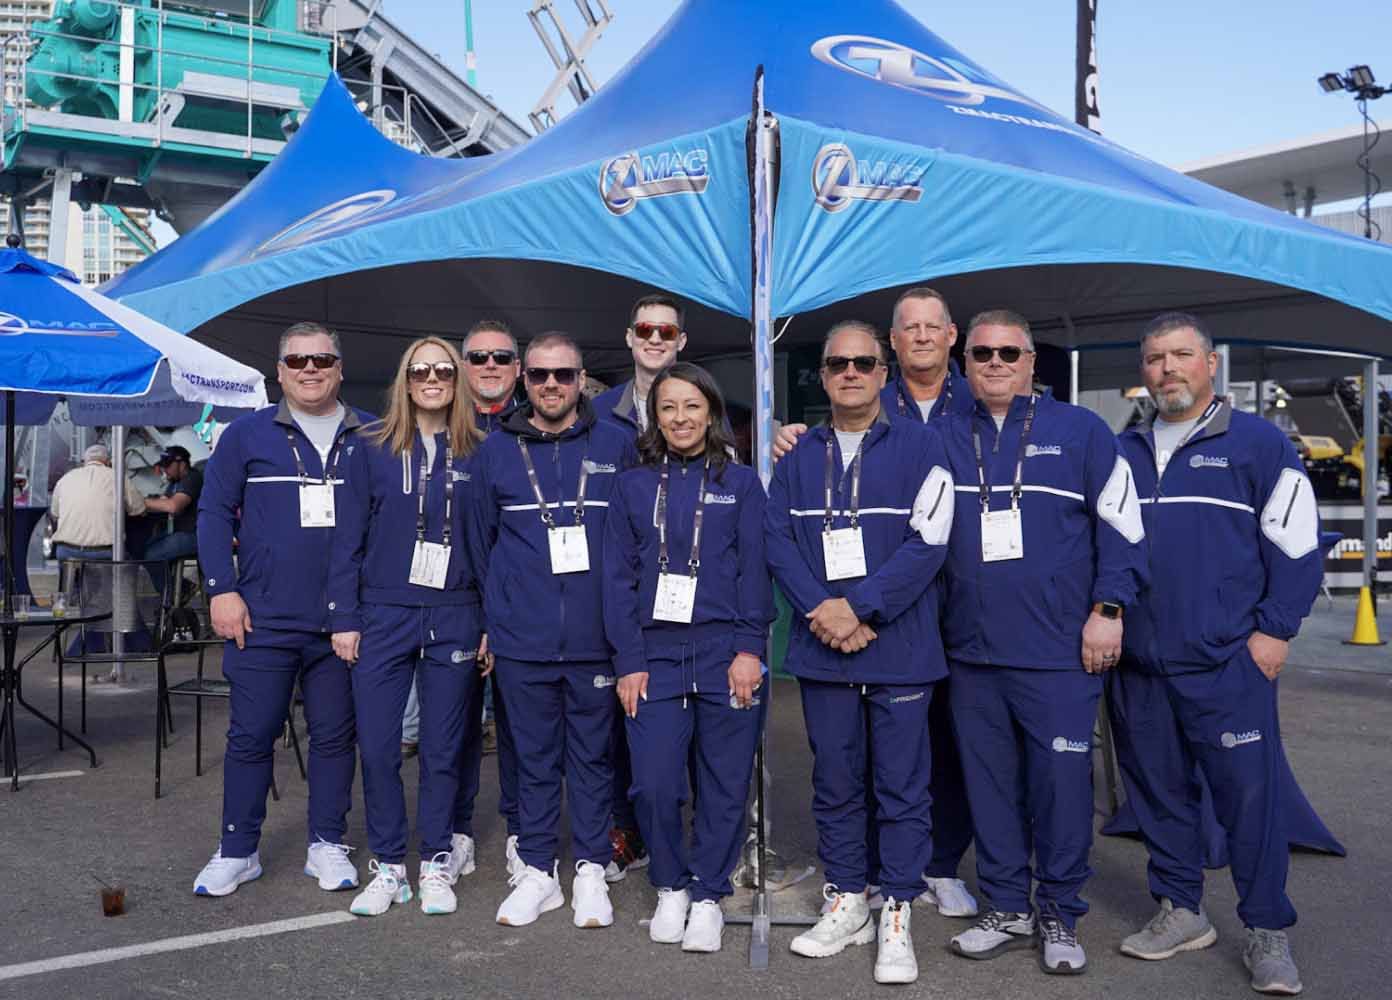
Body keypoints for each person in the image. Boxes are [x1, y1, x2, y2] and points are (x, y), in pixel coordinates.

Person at [1109, 313, 1321, 997]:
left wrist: (1274, 631)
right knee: (1159, 798)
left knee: (1248, 803)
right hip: (1139, 667)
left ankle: (1266, 930)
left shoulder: (1258, 445)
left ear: (1211, 365)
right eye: (1154, 358)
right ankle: (1181, 910)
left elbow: (1297, 546)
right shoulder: (1123, 450)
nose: (1167, 369)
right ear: (1142, 371)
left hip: (1227, 664)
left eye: (1181, 356)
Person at [934, 309, 1148, 975]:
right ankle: (1006, 905)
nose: (995, 364)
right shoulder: (943, 435)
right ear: (963, 366)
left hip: (1059, 652)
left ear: (1030, 363)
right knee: (990, 787)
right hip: (971, 653)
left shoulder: (1080, 431)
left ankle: (1058, 910)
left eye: (1008, 353)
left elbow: (1123, 527)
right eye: (982, 354)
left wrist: (1109, 608)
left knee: (1059, 785)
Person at [772, 287, 978, 918]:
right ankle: (847, 893)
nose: (852, 373)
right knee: (835, 779)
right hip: (827, 638)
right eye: (840, 365)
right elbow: (776, 538)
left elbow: (929, 540)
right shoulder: (801, 453)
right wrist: (823, 610)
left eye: (862, 365)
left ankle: (903, 898)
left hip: (907, 630)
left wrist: (858, 607)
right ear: (825, 374)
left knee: (907, 780)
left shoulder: (934, 437)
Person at [602, 362, 774, 953]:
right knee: (652, 782)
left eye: (692, 406)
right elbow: (617, 581)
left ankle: (708, 893)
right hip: (654, 654)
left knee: (724, 783)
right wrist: (628, 660)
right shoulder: (630, 485)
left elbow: (756, 573)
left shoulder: (742, 483)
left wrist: (750, 649)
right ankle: (670, 885)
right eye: (668, 407)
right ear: (655, 415)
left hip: (726, 650)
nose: (680, 418)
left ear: (711, 412)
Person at [469, 332, 637, 929]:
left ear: (581, 377)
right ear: (523, 379)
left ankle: (590, 868)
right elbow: (479, 544)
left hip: (596, 638)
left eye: (563, 375)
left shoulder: (618, 445)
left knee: (593, 759)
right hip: (523, 639)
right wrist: (498, 618)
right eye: (539, 374)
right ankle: (539, 870)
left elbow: (635, 542)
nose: (550, 385)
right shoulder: (493, 452)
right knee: (534, 760)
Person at [192, 321, 364, 898]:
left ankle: (327, 844)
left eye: (321, 360)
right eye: (297, 361)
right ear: (280, 370)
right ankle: (238, 849)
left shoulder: (372, 432)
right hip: (261, 617)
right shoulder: (245, 434)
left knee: (336, 737)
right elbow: (214, 512)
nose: (309, 370)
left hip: (343, 620)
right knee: (250, 736)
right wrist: (221, 588)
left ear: (340, 367)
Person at [328, 337, 485, 917]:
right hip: (382, 614)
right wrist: (344, 617)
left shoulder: (479, 450)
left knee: (445, 748)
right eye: (421, 369)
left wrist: (489, 620)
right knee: (377, 747)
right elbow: (347, 540)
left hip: (456, 613)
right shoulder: (369, 448)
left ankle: (437, 860)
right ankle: (390, 865)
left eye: (444, 369)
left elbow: (488, 543)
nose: (433, 378)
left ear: (457, 379)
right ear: (405, 379)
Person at [590, 293, 688, 880]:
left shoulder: (703, 405)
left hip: (683, 586)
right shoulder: (598, 410)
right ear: (629, 337)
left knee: (684, 724)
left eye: (666, 330)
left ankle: (682, 836)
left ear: (681, 342)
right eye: (645, 328)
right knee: (616, 721)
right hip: (617, 579)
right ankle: (626, 833)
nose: (655, 337)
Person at [446, 318, 525, 882]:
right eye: (478, 357)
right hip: (452, 601)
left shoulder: (540, 425)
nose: (490, 365)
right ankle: (456, 831)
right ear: (462, 366)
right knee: (456, 725)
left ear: (517, 367)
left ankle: (523, 831)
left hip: (521, 605)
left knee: (521, 728)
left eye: (501, 356)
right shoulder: (438, 427)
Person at [49, 443, 146, 563]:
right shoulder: (118, 477)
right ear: (108, 462)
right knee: (135, 557)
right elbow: (139, 510)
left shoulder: (65, 479)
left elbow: (54, 514)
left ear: (84, 462)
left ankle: (71, 582)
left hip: (67, 551)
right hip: (104, 553)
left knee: (69, 580)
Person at [141, 445, 203, 596]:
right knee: (142, 549)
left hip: (195, 534)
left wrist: (139, 502)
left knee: (152, 556)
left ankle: (178, 592)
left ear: (182, 464)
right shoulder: (175, 482)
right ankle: (174, 592)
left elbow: (173, 506)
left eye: (168, 466)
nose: (165, 470)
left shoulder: (192, 478)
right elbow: (164, 500)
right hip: (179, 531)